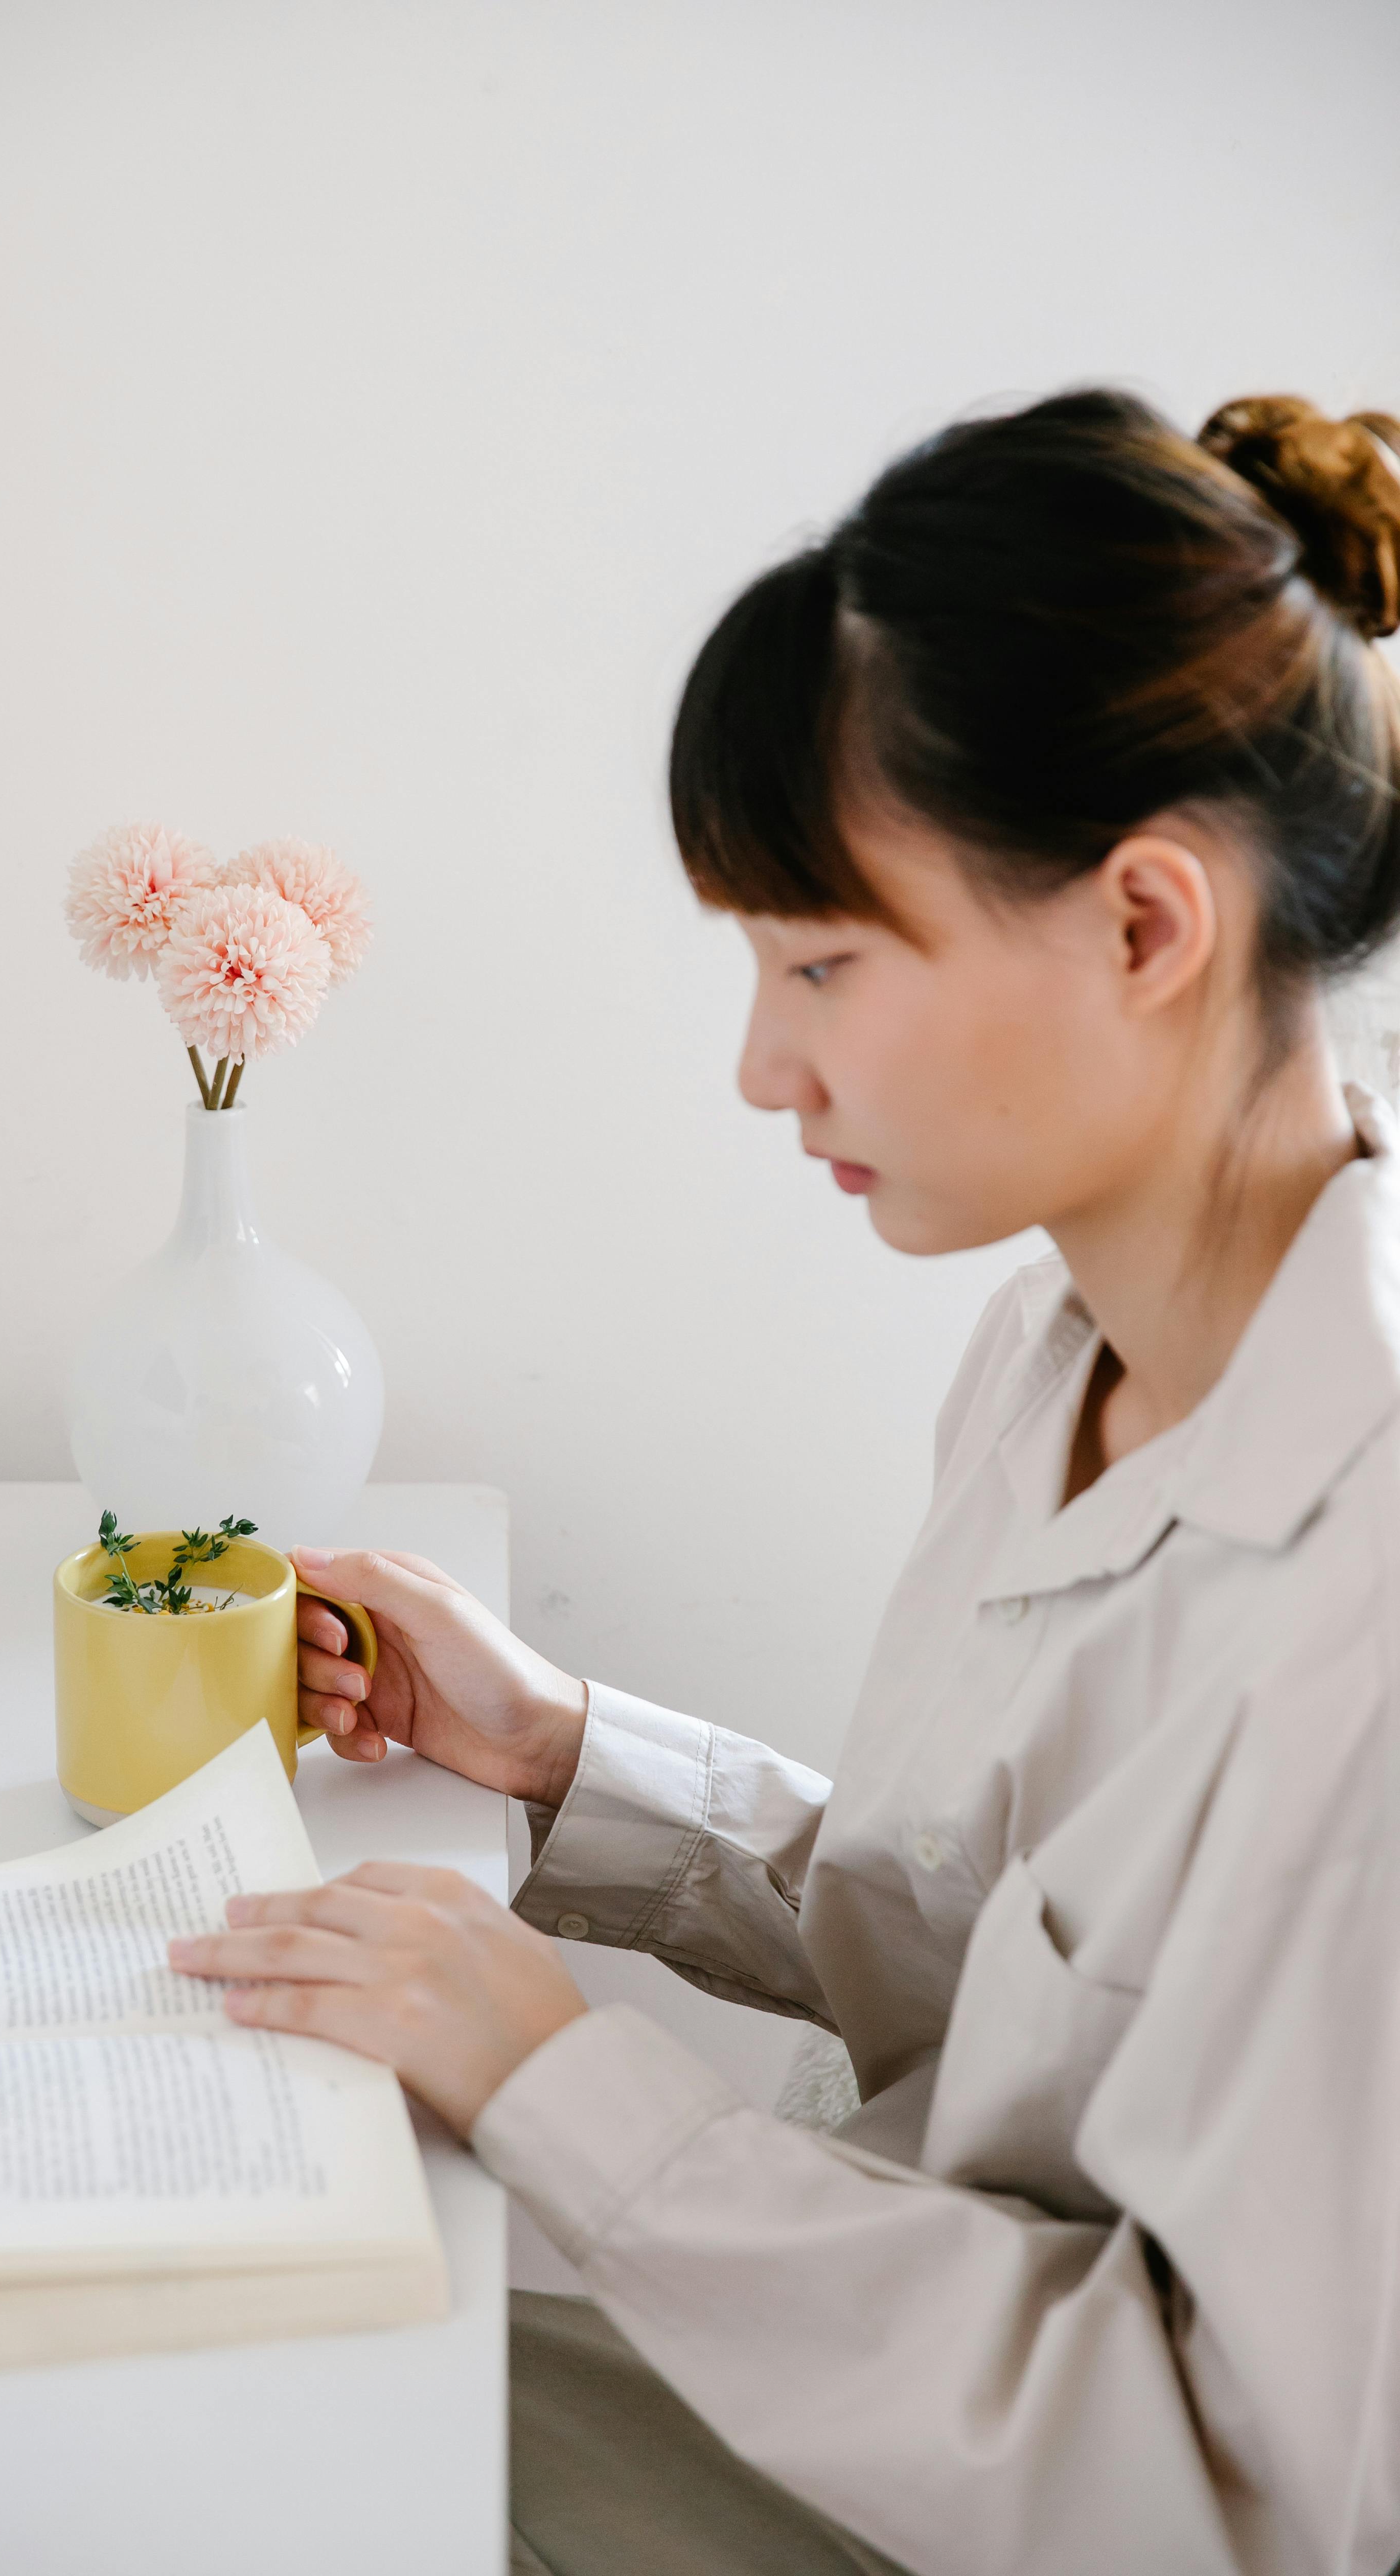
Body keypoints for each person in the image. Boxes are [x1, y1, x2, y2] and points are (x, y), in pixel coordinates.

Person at [169, 389, 1400, 2575]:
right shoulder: (1063, 1350)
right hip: (881, 2387)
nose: (766, 1067)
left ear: (1144, 927)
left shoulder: (1367, 1616)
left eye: (822, 964)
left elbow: (1233, 2494)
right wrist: (565, 1758)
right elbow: (993, 1976)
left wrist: (553, 2077)